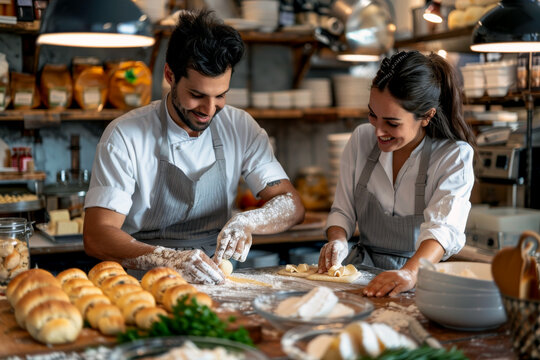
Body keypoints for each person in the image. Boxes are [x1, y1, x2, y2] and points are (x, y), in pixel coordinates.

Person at [83, 9, 304, 284]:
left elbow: (291, 204)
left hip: (220, 281)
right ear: (169, 75)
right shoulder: (125, 136)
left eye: (220, 95)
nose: (209, 110)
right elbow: (97, 234)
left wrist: (248, 222)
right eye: (197, 95)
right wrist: (169, 259)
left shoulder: (240, 127)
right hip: (147, 281)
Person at [317, 50, 476, 297]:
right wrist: (337, 241)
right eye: (372, 115)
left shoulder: (453, 155)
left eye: (392, 123)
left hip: (418, 280)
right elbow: (342, 211)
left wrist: (409, 273)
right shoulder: (361, 139)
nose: (378, 131)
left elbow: (442, 229)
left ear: (427, 116)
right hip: (359, 276)